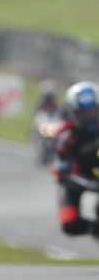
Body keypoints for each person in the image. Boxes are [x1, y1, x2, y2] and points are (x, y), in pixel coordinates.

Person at [52, 81, 99, 237]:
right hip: (76, 179)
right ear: (73, 111)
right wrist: (89, 183)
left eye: (93, 111)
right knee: (70, 225)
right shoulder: (66, 136)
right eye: (83, 113)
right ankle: (93, 229)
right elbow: (60, 171)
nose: (89, 117)